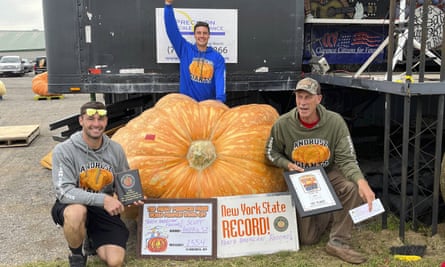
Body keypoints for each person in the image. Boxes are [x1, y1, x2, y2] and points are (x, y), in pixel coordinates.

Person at [265, 77, 375, 264]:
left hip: (327, 174)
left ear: (319, 99)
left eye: (308, 97)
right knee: (308, 239)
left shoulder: (335, 122)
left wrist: (361, 182)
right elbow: (270, 153)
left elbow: (347, 159)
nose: (303, 102)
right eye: (299, 97)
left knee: (350, 187)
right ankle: (330, 215)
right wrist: (287, 164)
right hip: (300, 178)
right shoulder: (283, 124)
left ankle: (338, 241)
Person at [51, 101, 144, 267]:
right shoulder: (64, 150)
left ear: (106, 121)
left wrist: (132, 195)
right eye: (90, 119)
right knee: (76, 213)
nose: (96, 124)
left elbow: (123, 183)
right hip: (74, 203)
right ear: (81, 121)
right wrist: (104, 199)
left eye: (100, 119)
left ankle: (92, 238)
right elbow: (64, 192)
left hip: (103, 210)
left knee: (115, 261)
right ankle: (77, 257)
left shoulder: (115, 149)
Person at [164, 0, 226, 102]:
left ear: (209, 35)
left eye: (205, 33)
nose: (202, 36)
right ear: (195, 35)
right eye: (199, 33)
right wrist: (168, 5)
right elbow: (171, 30)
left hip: (207, 107)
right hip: (187, 105)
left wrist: (219, 101)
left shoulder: (217, 58)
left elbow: (220, 82)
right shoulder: (184, 49)